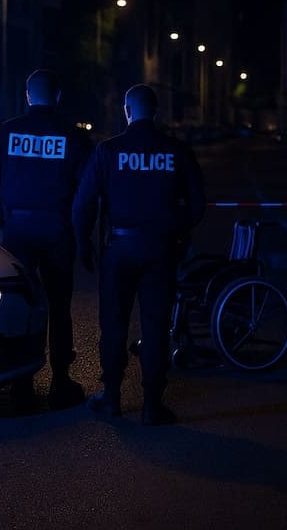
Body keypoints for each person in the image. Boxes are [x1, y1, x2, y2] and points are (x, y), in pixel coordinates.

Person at [73, 84, 205, 425]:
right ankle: (151, 405)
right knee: (156, 326)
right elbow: (197, 206)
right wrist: (177, 234)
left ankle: (112, 398)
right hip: (161, 249)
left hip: (118, 249)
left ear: (127, 112)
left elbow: (84, 203)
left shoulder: (108, 151)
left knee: (113, 323)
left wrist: (82, 243)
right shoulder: (177, 150)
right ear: (156, 112)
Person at [0, 68, 94, 409]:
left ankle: (20, 385)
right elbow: (87, 193)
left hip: (16, 233)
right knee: (59, 307)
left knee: (19, 304)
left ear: (27, 95)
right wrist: (84, 237)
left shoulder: (6, 133)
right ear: (58, 96)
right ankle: (60, 381)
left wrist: (2, 213)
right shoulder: (73, 137)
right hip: (58, 230)